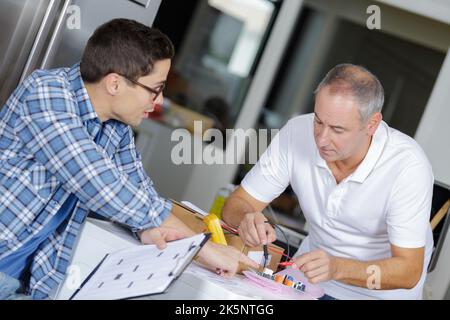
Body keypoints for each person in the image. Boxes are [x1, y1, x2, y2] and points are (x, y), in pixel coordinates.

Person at [0, 18, 257, 300]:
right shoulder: (46, 93)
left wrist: (150, 227)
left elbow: (138, 190)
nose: (159, 102)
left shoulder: (115, 127)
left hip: (25, 283)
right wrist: (202, 248)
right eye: (155, 89)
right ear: (114, 83)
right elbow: (99, 182)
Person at [221, 63, 434, 300]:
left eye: (337, 129)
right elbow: (236, 204)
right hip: (307, 283)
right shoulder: (296, 132)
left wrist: (337, 268)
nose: (321, 139)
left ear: (372, 124)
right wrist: (246, 219)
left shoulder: (408, 166)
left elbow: (408, 271)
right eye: (319, 121)